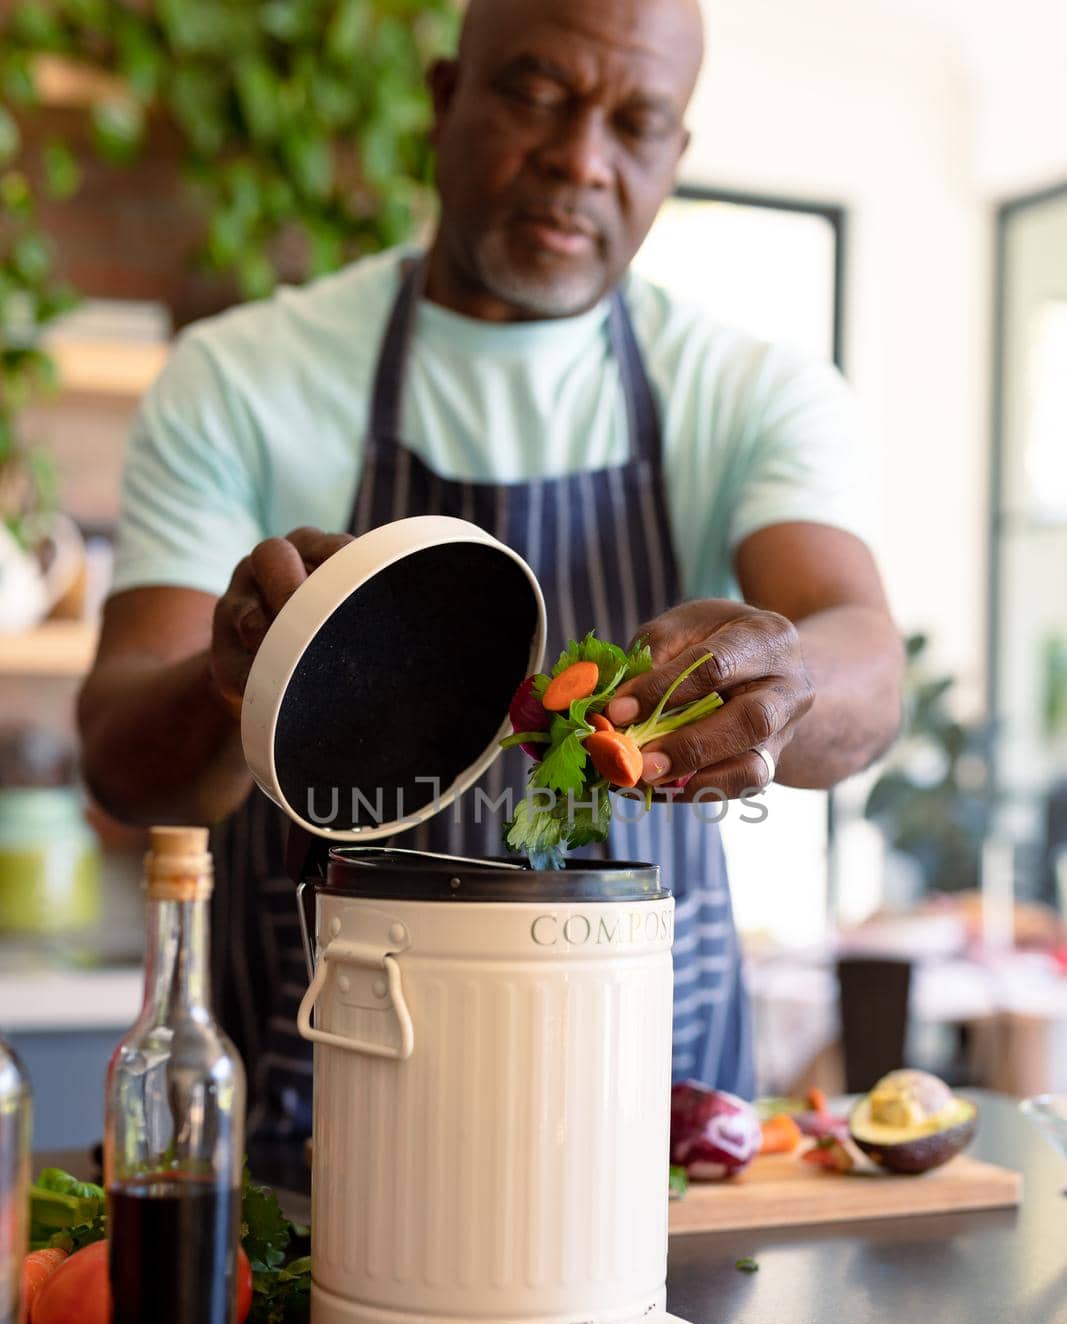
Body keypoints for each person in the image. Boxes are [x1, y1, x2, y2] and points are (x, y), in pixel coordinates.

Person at [78, 0, 903, 1133]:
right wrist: (236, 681)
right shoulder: (241, 379)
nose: (579, 160)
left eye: (636, 122)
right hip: (317, 1123)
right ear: (441, 97)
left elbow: (862, 658)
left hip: (645, 1118)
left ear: (675, 152)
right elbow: (124, 763)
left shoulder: (748, 390)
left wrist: (783, 677)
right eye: (535, 94)